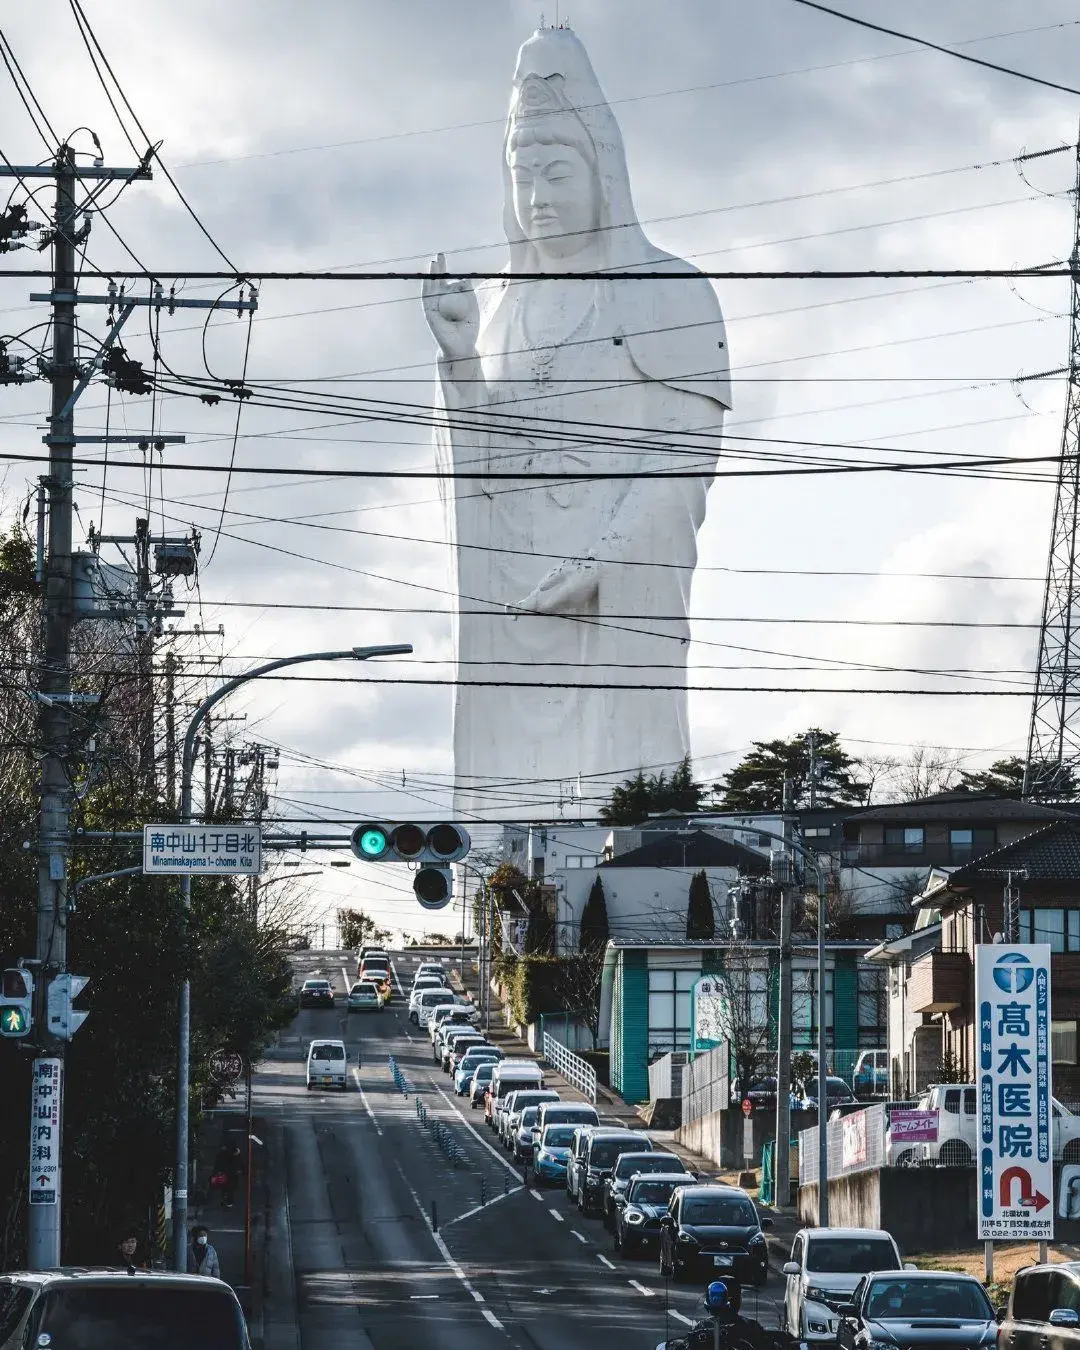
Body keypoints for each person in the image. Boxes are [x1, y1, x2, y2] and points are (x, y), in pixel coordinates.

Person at [422, 25, 731, 814]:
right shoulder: (496, 307)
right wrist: (459, 359)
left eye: (558, 172)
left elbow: (685, 459)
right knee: (511, 781)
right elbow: (477, 460)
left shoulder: (671, 291)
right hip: (514, 592)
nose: (539, 199)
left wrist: (602, 564)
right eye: (521, 176)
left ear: (605, 174)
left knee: (620, 764)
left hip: (614, 592)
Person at [213, 1140, 243, 1210]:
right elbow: (239, 1162)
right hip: (232, 1173)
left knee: (225, 1188)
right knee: (230, 1189)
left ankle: (226, 1201)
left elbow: (218, 1163)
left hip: (225, 1173)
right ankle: (229, 1202)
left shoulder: (223, 1153)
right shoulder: (235, 1153)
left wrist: (217, 1171)